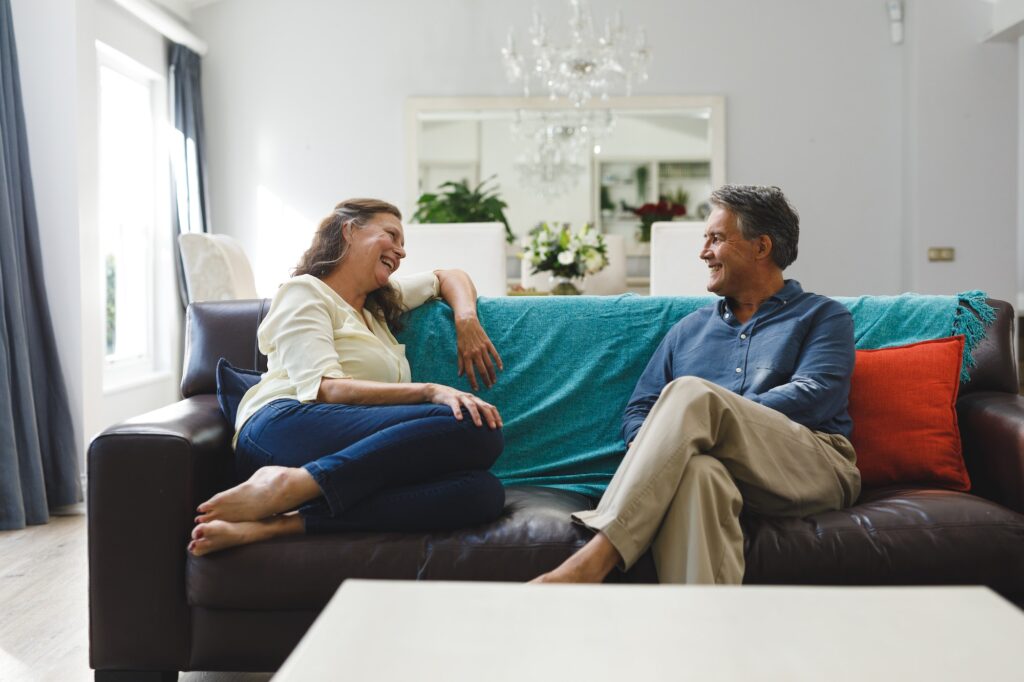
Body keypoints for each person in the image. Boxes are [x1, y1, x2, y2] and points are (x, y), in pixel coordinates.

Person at [533, 185, 862, 584]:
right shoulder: (688, 331)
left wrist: (713, 414)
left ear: (761, 247)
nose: (703, 251)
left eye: (717, 238)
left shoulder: (823, 316)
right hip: (721, 468)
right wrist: (655, 439)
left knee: (693, 395)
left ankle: (595, 558)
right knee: (699, 475)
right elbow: (640, 408)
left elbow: (816, 394)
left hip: (812, 465)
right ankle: (699, 632)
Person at [189, 198, 507, 556]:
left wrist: (466, 321)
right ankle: (294, 482)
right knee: (479, 427)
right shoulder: (305, 292)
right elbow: (327, 389)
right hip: (282, 426)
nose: (401, 252)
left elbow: (447, 276)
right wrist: (431, 391)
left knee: (482, 493)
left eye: (403, 245)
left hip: (345, 444)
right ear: (349, 230)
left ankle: (281, 521)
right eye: (391, 235)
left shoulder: (378, 307)